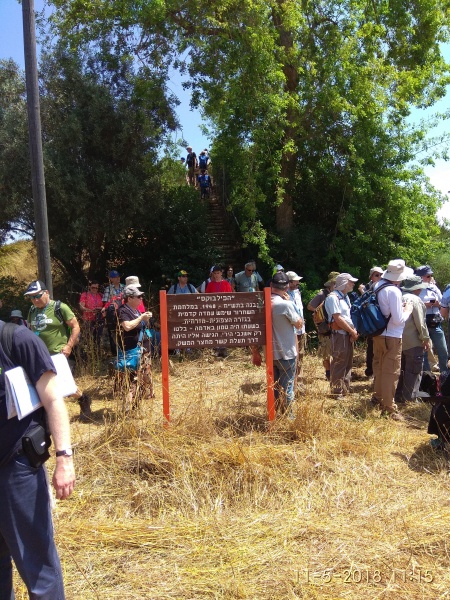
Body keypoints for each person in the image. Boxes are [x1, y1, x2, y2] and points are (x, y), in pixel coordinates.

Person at [0, 320, 75, 598]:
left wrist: (64, 458)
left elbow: (54, 399)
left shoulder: (16, 340)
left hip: (16, 470)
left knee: (37, 567)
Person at [24, 279, 91, 421]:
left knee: (64, 386)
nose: (35, 300)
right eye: (31, 297)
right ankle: (50, 417)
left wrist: (68, 346)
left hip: (58, 355)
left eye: (37, 295)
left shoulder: (59, 307)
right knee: (44, 387)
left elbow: (75, 326)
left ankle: (83, 399)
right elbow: (29, 330)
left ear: (46, 293)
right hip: (39, 355)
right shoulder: (32, 310)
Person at [372, 259, 413, 420]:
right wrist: (407, 310)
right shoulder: (394, 291)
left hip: (379, 334)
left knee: (381, 368)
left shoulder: (377, 286)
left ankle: (378, 397)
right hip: (392, 336)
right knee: (391, 372)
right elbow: (398, 320)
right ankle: (389, 408)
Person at [116, 285, 154, 408]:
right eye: (139, 296)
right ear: (130, 298)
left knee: (143, 378)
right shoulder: (123, 310)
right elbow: (127, 326)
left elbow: (141, 325)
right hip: (132, 351)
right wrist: (141, 317)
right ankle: (127, 407)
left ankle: (136, 405)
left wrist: (146, 319)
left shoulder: (136, 311)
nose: (141, 299)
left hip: (143, 350)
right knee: (132, 378)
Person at [271, 272, 303, 413]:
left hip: (271, 353)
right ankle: (289, 418)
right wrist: (291, 303)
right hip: (287, 353)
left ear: (271, 285)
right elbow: (299, 324)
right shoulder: (286, 305)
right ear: (286, 288)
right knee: (287, 388)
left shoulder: (264, 302)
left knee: (275, 389)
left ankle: (276, 414)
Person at [395, 275, 430, 403]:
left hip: (399, 340)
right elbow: (420, 323)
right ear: (417, 288)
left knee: (401, 370)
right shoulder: (415, 300)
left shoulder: (399, 296)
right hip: (414, 342)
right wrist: (425, 339)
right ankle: (410, 398)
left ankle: (398, 396)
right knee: (414, 371)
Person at [324, 273, 359, 398]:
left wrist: (352, 331)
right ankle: (336, 392)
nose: (353, 284)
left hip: (347, 334)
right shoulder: (333, 298)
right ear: (344, 283)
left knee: (348, 362)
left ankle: (344, 389)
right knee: (339, 363)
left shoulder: (344, 297)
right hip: (340, 334)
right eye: (351, 282)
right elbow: (337, 318)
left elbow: (347, 317)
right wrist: (351, 331)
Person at [415, 265, 448, 374]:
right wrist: (426, 305)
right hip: (423, 322)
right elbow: (413, 304)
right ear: (420, 277)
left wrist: (437, 304)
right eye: (427, 276)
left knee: (443, 350)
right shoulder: (416, 289)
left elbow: (443, 301)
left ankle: (444, 374)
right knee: (424, 351)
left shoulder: (434, 288)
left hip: (436, 321)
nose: (430, 278)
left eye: (430, 276)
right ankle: (427, 376)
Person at [307, 271, 340, 380]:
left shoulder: (339, 294)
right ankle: (328, 373)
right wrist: (320, 310)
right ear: (331, 284)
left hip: (336, 327)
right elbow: (310, 306)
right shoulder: (322, 294)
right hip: (325, 328)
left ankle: (335, 372)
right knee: (326, 353)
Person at [358, 267, 384, 377]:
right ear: (371, 277)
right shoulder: (368, 287)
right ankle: (370, 371)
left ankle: (379, 371)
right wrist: (362, 292)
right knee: (371, 347)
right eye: (376, 275)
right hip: (371, 321)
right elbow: (364, 302)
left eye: (381, 274)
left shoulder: (384, 286)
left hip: (381, 320)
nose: (379, 277)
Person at [286, 271, 306, 391]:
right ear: (289, 282)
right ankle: (291, 382)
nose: (298, 283)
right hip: (292, 331)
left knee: (301, 355)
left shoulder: (297, 292)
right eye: (295, 281)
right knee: (293, 355)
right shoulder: (284, 295)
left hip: (301, 329)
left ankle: (298, 379)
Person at [101, 270, 125, 356]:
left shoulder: (124, 287)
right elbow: (105, 303)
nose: (118, 278)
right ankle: (115, 353)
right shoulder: (108, 289)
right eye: (115, 277)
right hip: (112, 314)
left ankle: (124, 351)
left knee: (123, 332)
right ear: (111, 279)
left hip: (123, 312)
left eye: (118, 276)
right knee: (113, 333)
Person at [79, 281, 103, 349]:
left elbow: (105, 306)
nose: (95, 289)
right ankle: (89, 352)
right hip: (88, 319)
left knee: (98, 337)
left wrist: (99, 309)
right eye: (93, 287)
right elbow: (81, 307)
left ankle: (97, 351)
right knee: (89, 337)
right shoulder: (85, 294)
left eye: (96, 288)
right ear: (90, 287)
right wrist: (90, 310)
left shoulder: (101, 295)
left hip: (99, 318)